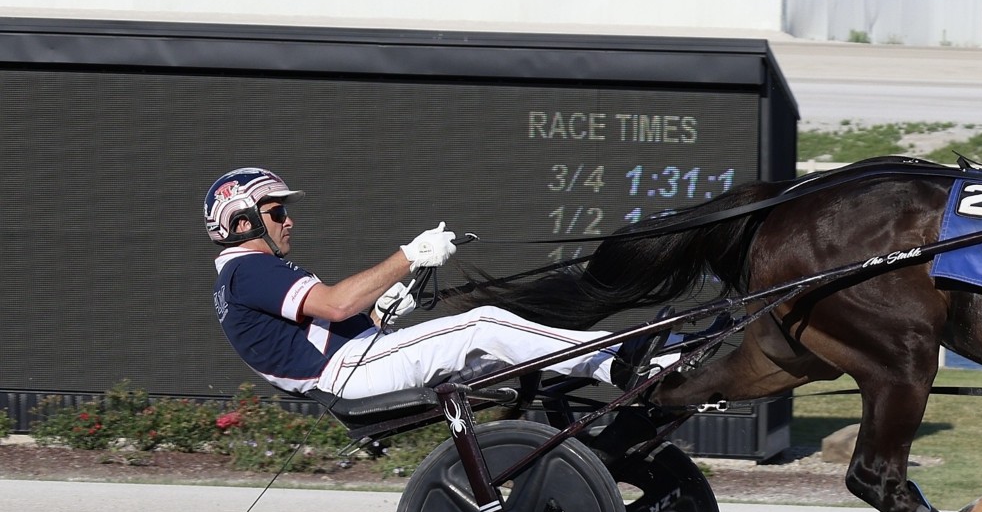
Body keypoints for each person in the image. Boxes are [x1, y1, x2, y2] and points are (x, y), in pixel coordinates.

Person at [204, 167, 654, 401]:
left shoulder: (243, 278)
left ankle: (635, 356)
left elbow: (322, 328)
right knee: (482, 326)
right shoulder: (247, 270)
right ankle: (617, 361)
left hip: (357, 360)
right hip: (352, 370)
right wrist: (411, 255)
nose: (289, 220)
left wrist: (383, 312)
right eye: (277, 212)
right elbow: (338, 305)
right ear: (242, 222)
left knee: (505, 351)